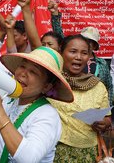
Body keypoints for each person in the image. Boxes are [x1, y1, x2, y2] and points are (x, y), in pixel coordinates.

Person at [0, 0, 74, 163]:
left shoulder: (47, 115)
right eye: (22, 66)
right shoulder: (9, 98)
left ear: (47, 86)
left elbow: (28, 158)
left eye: (33, 72)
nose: (22, 74)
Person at [50, 34, 112, 162]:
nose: (78, 57)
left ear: (89, 57)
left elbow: (107, 118)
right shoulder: (50, 82)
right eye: (73, 51)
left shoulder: (98, 86)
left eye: (84, 53)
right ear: (61, 52)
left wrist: (104, 123)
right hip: (53, 152)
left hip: (88, 154)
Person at [48, 0, 113, 106]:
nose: (78, 57)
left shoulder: (102, 65)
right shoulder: (53, 82)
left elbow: (108, 87)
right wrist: (55, 15)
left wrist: (106, 110)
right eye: (85, 39)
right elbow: (59, 34)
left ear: (95, 46)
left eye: (91, 42)